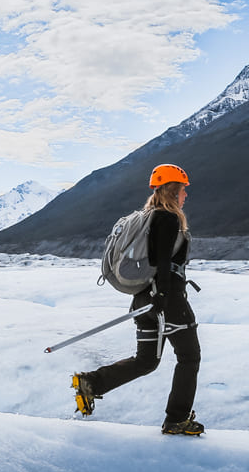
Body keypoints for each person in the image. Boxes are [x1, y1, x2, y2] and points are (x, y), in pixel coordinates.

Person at [72, 164, 203, 435]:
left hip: (144, 300)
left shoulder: (148, 216)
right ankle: (177, 420)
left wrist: (155, 298)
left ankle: (92, 383)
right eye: (183, 190)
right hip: (168, 302)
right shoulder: (167, 218)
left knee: (146, 361)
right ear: (173, 190)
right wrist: (165, 296)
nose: (186, 196)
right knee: (189, 357)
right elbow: (163, 262)